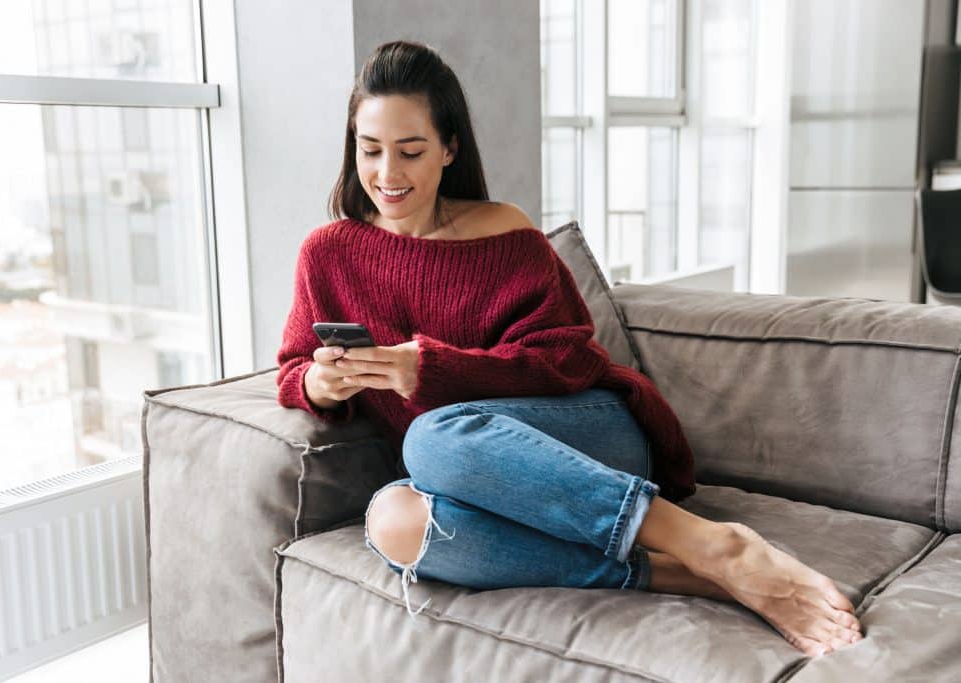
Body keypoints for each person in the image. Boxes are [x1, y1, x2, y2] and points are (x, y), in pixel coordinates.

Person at [276, 39, 863, 658]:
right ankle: (674, 572)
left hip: (588, 438)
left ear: (449, 148)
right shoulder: (328, 252)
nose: (387, 175)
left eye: (411, 151)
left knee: (430, 437)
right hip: (481, 477)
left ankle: (716, 545)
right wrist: (319, 385)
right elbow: (292, 368)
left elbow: (568, 361)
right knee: (394, 523)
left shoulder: (506, 233)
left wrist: (429, 370)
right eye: (370, 150)